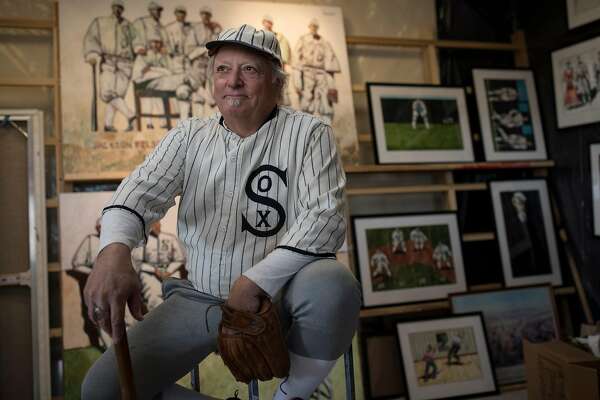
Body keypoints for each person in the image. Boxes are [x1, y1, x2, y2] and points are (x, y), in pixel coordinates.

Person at [81, 24, 360, 400]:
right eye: (223, 69)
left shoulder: (310, 132)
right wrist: (113, 253)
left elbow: (325, 220)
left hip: (279, 297)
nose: (234, 82)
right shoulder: (189, 136)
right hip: (201, 295)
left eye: (250, 70)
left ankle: (288, 398)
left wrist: (252, 282)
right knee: (101, 392)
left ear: (277, 83)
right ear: (211, 80)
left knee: (334, 283)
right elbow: (138, 194)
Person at [83, 0, 136, 132]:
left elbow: (138, 42)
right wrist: (92, 54)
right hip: (108, 61)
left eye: (120, 8)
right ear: (112, 8)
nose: (118, 10)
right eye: (116, 7)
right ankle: (131, 115)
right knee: (107, 93)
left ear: (123, 9)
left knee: (117, 95)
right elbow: (91, 38)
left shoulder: (129, 26)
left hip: (125, 62)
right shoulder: (100, 22)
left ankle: (108, 125)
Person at [132, 221, 186, 311]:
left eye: (158, 222)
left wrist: (169, 270)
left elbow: (179, 258)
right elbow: (139, 263)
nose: (157, 225)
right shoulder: (142, 241)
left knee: (176, 298)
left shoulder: (170, 238)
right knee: (154, 300)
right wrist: (154, 270)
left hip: (171, 271)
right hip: (150, 273)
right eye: (153, 223)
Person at [294, 19, 340, 124]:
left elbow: (330, 55)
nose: (313, 28)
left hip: (321, 71)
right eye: (312, 26)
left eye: (315, 26)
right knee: (307, 95)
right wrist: (297, 73)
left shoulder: (323, 41)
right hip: (307, 70)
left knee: (324, 96)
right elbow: (297, 54)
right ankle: (305, 122)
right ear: (309, 27)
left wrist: (330, 73)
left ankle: (326, 123)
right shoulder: (303, 39)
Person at [185, 6, 222, 115]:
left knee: (214, 88)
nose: (205, 16)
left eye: (208, 14)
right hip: (198, 61)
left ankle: (216, 118)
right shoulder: (195, 29)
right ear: (201, 15)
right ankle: (198, 120)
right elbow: (189, 49)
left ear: (210, 16)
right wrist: (203, 50)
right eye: (203, 14)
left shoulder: (214, 28)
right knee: (197, 91)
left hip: (211, 61)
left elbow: (218, 45)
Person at [262, 15, 292, 106]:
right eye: (267, 22)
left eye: (270, 22)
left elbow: (284, 50)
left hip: (276, 65)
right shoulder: (259, 35)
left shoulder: (279, 36)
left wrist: (284, 63)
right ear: (263, 22)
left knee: (280, 88)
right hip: (263, 64)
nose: (268, 24)